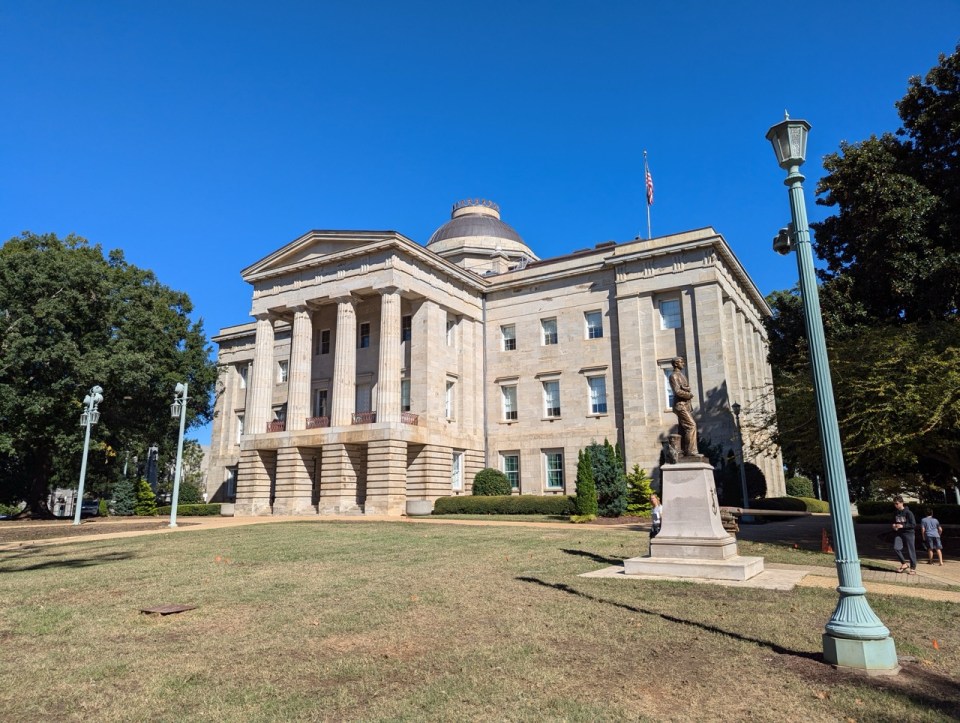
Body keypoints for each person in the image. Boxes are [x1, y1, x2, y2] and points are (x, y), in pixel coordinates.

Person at [668, 357, 698, 457]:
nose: (683, 364)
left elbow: (685, 388)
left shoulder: (681, 375)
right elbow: (677, 391)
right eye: (681, 362)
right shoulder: (673, 376)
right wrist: (689, 395)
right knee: (691, 425)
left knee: (683, 429)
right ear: (676, 364)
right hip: (680, 405)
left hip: (686, 405)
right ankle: (691, 451)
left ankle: (681, 451)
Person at [892, 495, 917, 574]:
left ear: (902, 503)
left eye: (897, 503)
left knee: (911, 550)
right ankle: (904, 564)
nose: (895, 505)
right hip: (899, 533)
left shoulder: (908, 513)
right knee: (896, 548)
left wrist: (903, 526)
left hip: (909, 533)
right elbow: (894, 522)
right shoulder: (896, 513)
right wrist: (894, 526)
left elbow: (913, 524)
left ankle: (913, 568)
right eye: (894, 504)